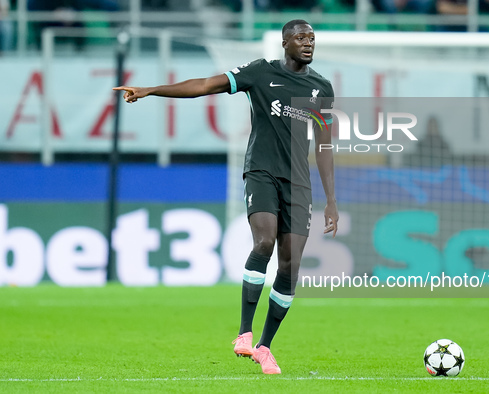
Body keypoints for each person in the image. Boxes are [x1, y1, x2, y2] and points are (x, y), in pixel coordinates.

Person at [113, 19, 339, 375]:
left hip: (298, 184)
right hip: (262, 172)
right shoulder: (260, 73)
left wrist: (332, 200)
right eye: (300, 37)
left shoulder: (321, 87)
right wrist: (151, 90)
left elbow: (325, 144)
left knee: (290, 265)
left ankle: (265, 347)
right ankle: (244, 333)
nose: (307, 42)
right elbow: (204, 84)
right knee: (264, 242)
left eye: (311, 37)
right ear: (284, 43)